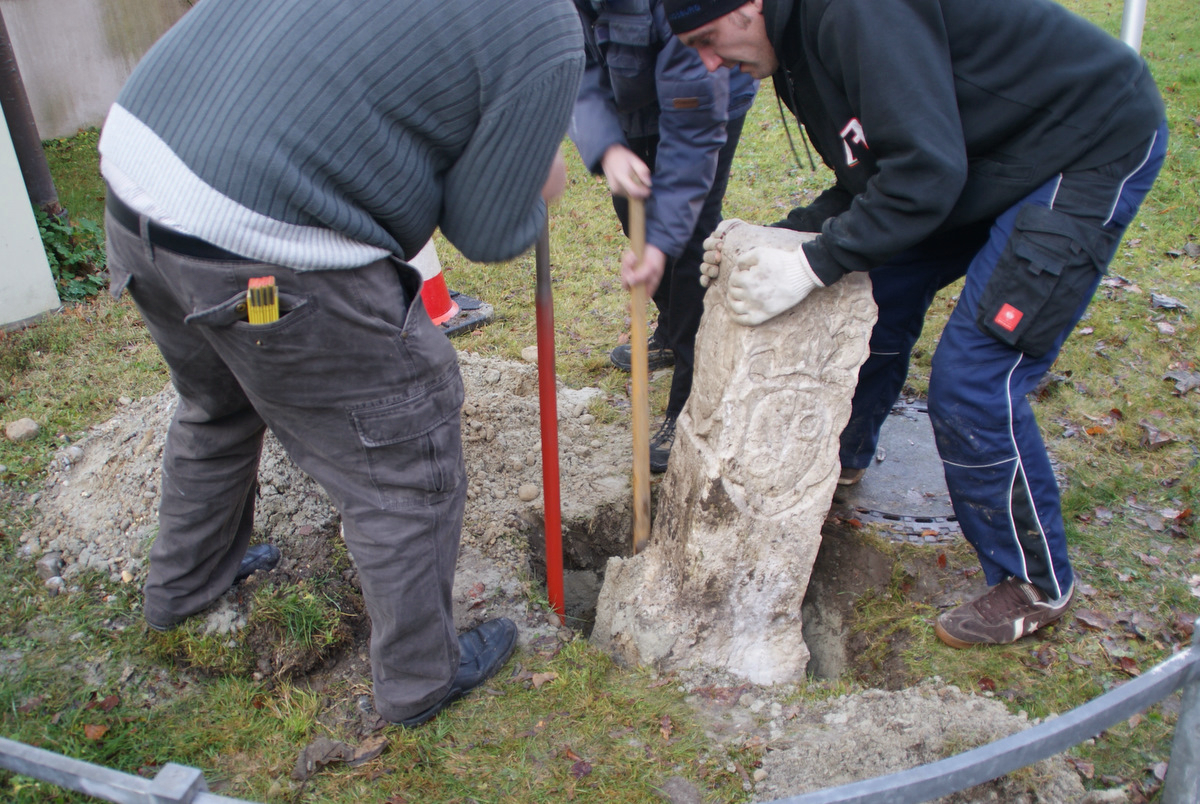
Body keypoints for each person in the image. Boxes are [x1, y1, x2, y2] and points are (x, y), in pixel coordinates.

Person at [98, 0, 583, 725]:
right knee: (403, 455)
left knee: (219, 403)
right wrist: (534, 187)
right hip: (259, 242)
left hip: (139, 184)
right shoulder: (546, 24)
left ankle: (184, 586)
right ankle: (420, 679)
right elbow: (485, 231)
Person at [664, 0, 1167, 647]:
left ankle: (1034, 582)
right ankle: (839, 457)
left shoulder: (857, 14)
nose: (709, 64)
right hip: (978, 152)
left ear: (751, 4)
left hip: (1083, 139)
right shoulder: (790, 48)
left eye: (708, 39)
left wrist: (812, 263)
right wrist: (781, 237)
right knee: (876, 294)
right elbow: (878, 176)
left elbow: (923, 173)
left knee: (975, 375)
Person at [570, 0, 757, 472]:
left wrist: (659, 246)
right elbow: (574, 60)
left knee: (688, 240)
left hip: (706, 97)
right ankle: (671, 333)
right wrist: (607, 147)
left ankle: (689, 400)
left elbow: (691, 135)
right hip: (627, 104)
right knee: (632, 213)